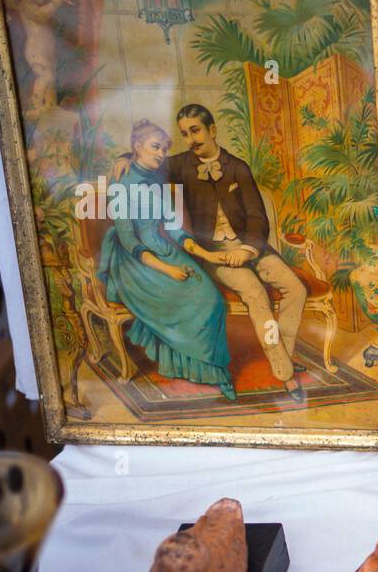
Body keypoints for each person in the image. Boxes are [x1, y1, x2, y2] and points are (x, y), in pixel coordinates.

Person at [167, 103, 308, 402]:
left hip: (250, 247)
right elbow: (146, 162)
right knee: (256, 293)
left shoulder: (238, 166)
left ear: (212, 130)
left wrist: (248, 249)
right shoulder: (179, 166)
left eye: (195, 130)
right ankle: (286, 375)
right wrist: (125, 160)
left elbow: (257, 216)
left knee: (296, 288)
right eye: (184, 134)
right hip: (215, 255)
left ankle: (283, 354)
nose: (191, 139)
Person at [97, 120, 236, 401]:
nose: (161, 153)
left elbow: (173, 227)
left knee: (212, 300)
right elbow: (129, 241)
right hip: (134, 261)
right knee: (180, 297)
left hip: (161, 247)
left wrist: (207, 255)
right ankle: (198, 371)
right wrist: (169, 270)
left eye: (163, 148)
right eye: (154, 147)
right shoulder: (121, 184)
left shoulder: (159, 179)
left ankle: (208, 369)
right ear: (137, 147)